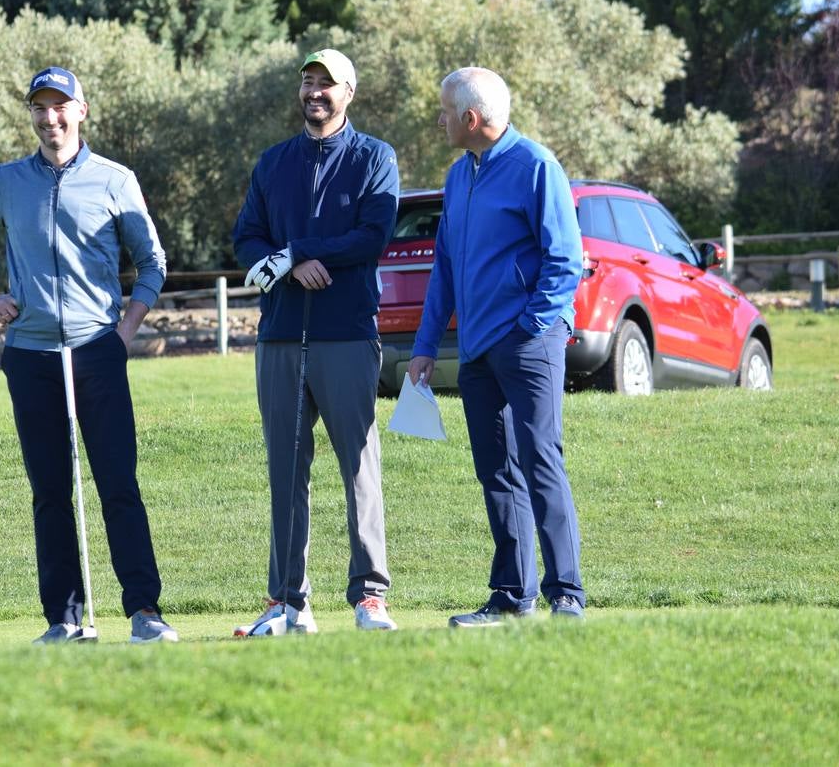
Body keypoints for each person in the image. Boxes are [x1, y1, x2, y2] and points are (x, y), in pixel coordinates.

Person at [0, 66, 179, 644]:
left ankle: (144, 612)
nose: (50, 118)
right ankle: (64, 619)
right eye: (39, 108)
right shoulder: (7, 181)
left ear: (82, 110)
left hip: (97, 349)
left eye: (60, 107)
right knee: (50, 491)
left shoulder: (114, 180)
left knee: (117, 483)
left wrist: (125, 330)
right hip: (31, 355)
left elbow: (153, 263)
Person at [406, 66, 587, 626]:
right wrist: (426, 343)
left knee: (540, 460)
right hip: (477, 350)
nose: (438, 120)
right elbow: (446, 267)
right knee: (496, 472)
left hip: (529, 343)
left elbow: (565, 261)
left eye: (443, 112)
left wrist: (532, 327)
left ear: (470, 118)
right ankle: (512, 597)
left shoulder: (537, 166)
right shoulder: (459, 176)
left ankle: (567, 596)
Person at [231, 48, 401, 634]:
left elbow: (371, 237)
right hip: (279, 337)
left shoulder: (376, 158)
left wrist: (303, 251)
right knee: (286, 471)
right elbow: (246, 238)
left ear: (348, 92)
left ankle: (370, 597)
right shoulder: (272, 163)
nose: (314, 93)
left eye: (326, 84)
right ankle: (287, 603)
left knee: (360, 468)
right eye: (307, 82)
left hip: (347, 336)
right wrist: (288, 261)